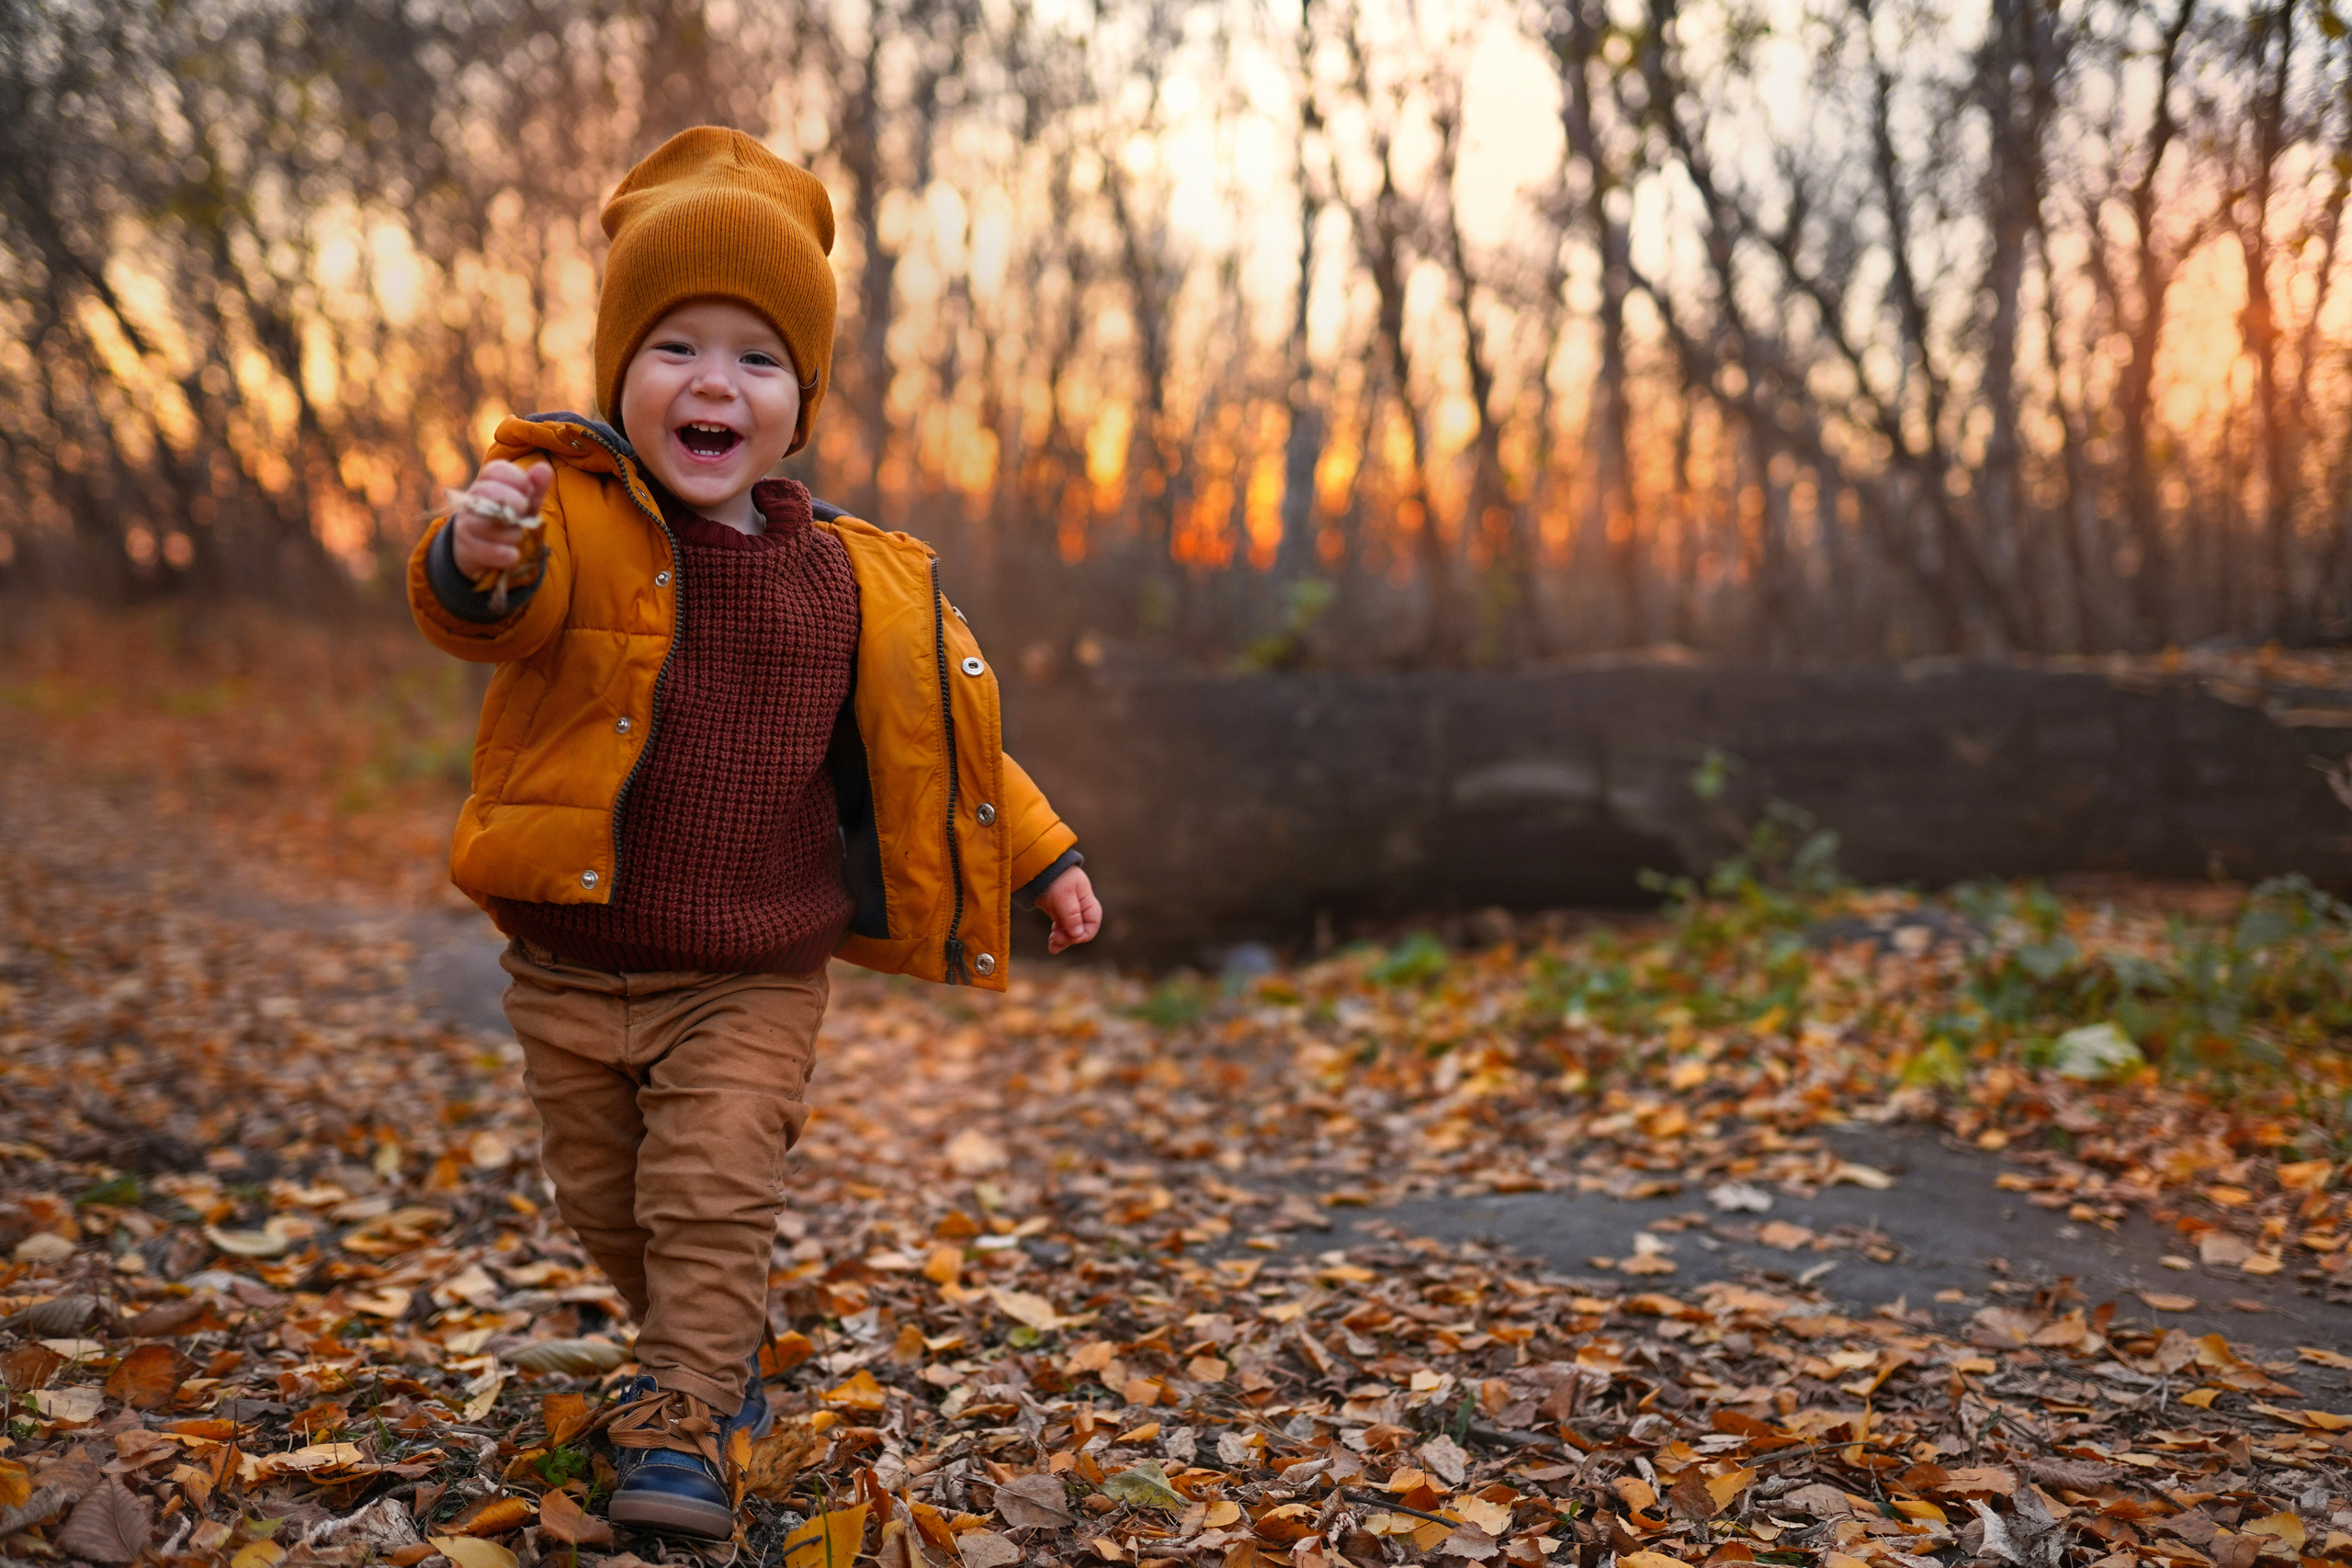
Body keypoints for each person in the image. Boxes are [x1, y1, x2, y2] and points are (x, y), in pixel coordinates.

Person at [405, 126, 1100, 1540]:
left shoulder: (853, 580)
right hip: (569, 958)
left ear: (798, 406)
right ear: (619, 378)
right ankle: (711, 1358)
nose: (713, 382)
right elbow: (498, 604)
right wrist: (477, 551)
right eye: (674, 347)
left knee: (711, 1190)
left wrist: (1046, 853)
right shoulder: (579, 524)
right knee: (611, 1203)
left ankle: (682, 1424)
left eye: (756, 357)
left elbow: (946, 743)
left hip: (752, 972)